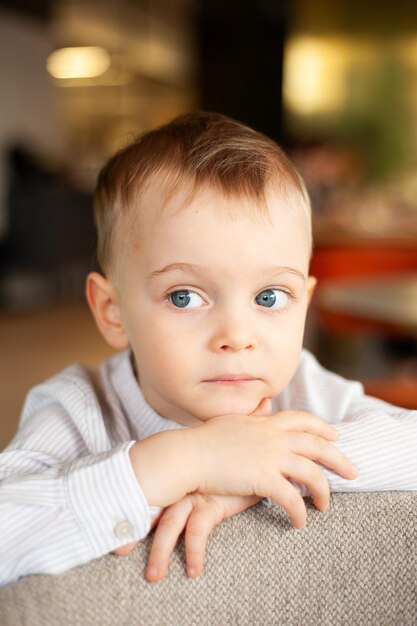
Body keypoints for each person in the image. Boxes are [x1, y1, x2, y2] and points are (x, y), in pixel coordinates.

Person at [0, 112, 416, 588]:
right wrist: (187, 460)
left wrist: (271, 466)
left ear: (306, 301)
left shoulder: (306, 386)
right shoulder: (77, 407)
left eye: (270, 298)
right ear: (113, 311)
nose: (237, 336)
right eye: (184, 297)